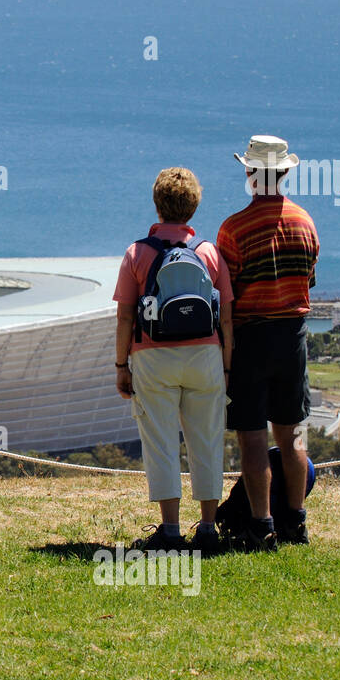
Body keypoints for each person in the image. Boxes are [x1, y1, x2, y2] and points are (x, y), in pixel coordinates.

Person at [114, 167, 235, 555]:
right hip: (205, 355)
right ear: (194, 208)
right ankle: (208, 528)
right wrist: (227, 366)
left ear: (157, 204)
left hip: (153, 357)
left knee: (161, 442)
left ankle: (169, 530)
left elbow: (125, 316)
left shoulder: (138, 253)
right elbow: (227, 316)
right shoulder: (208, 253)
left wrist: (121, 366)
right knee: (207, 439)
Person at [217, 135, 321, 550]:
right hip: (292, 336)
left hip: (250, 337)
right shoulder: (305, 222)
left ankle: (262, 525)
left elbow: (228, 293)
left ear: (249, 174)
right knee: (291, 435)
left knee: (252, 436)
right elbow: (308, 281)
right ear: (285, 173)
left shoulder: (233, 228)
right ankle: (296, 522)